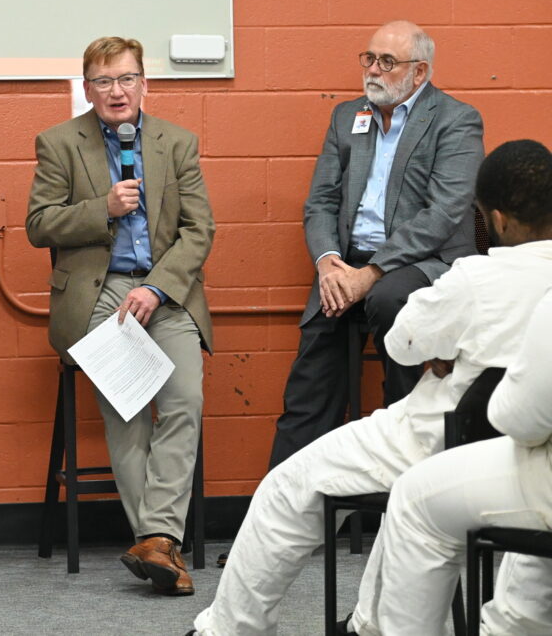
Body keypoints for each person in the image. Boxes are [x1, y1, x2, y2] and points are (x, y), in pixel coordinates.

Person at [190, 139, 552, 636]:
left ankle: (228, 630)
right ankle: (368, 625)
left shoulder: (476, 276)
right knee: (414, 507)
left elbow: (403, 343)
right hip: (520, 457)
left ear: (498, 220)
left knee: (287, 489)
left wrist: (443, 344)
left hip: (439, 434)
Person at [26, 37, 214, 596]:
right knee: (128, 403)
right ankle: (160, 542)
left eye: (127, 78)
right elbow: (39, 225)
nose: (117, 91)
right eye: (104, 81)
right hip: (99, 291)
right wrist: (100, 210)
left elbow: (199, 230)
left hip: (165, 290)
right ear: (87, 88)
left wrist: (157, 288)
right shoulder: (60, 143)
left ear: (144, 83)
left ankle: (156, 543)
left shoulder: (177, 143)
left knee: (185, 399)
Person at [268, 20, 485, 468]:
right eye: (369, 59)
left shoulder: (455, 119)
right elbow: (321, 201)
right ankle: (284, 511)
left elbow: (443, 215)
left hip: (425, 262)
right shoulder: (347, 116)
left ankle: (405, 445)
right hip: (346, 266)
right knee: (310, 379)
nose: (373, 71)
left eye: (388, 62)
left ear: (419, 72)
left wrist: (372, 273)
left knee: (388, 298)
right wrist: (329, 264)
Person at [376, 141, 552, 635]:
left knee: (412, 498)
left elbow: (520, 418)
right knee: (525, 580)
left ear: (496, 219)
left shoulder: (488, 278)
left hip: (533, 464)